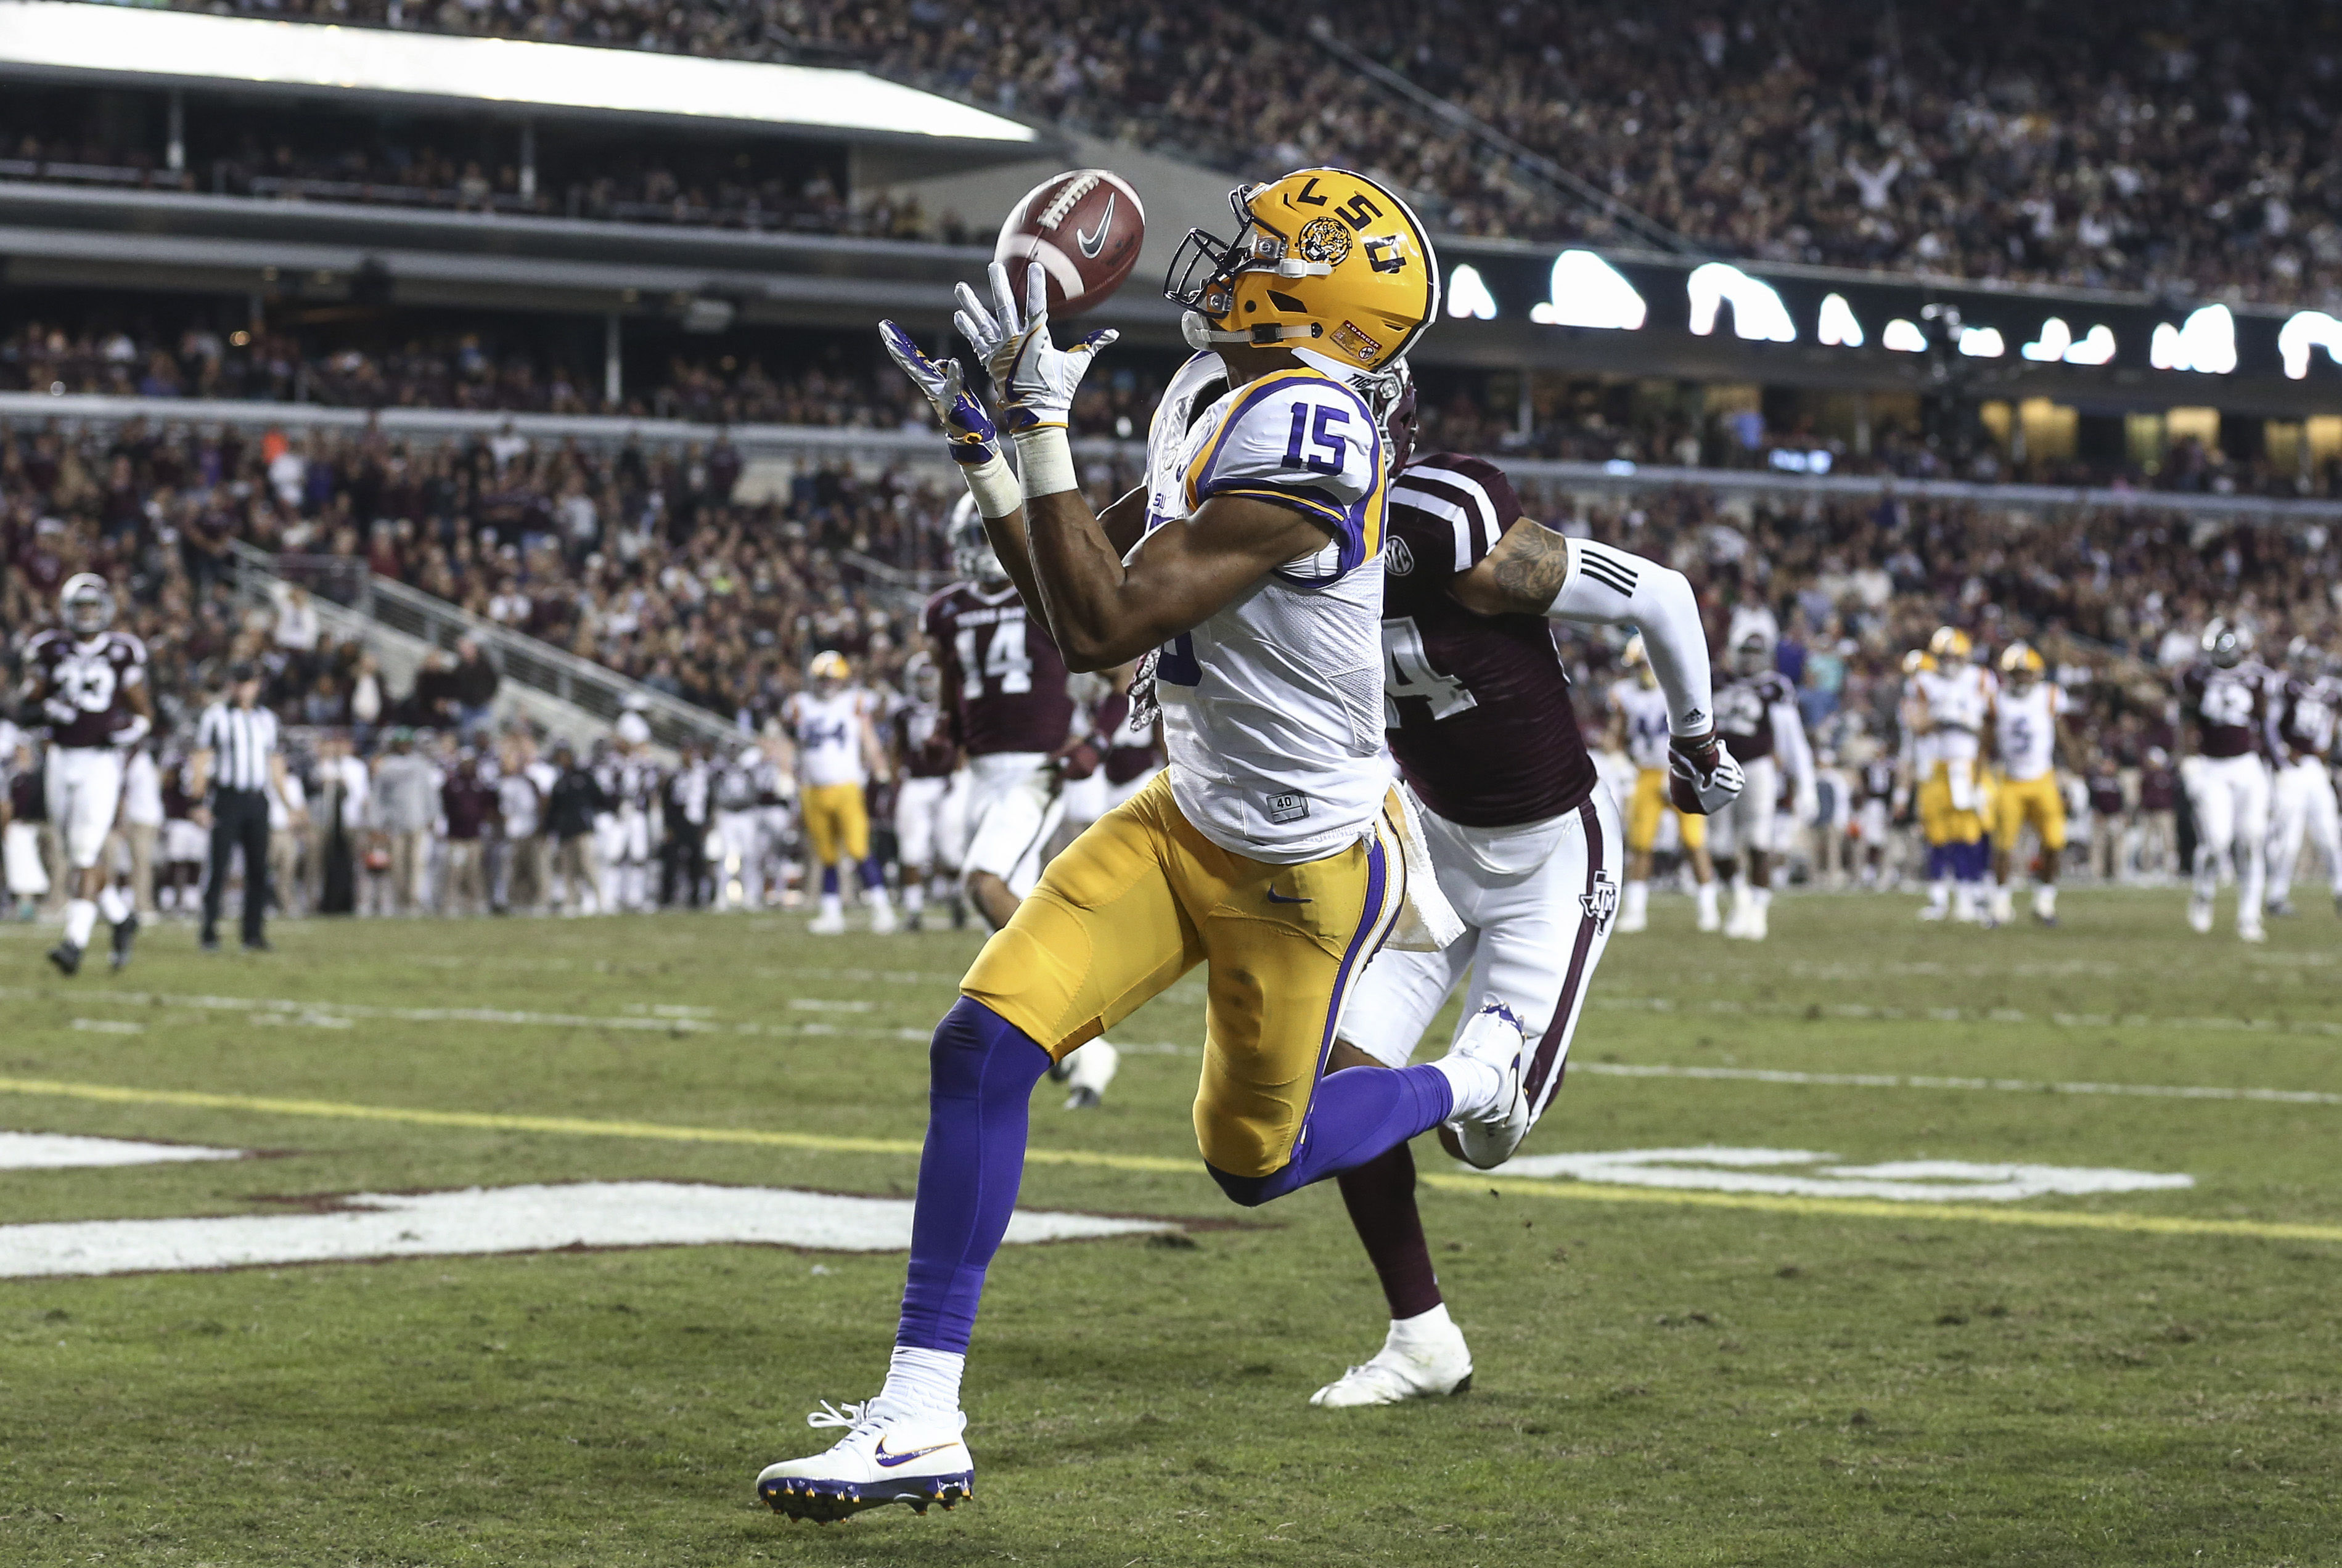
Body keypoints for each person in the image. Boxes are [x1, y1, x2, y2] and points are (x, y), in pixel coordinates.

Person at [759, 169, 1518, 1521]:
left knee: (1255, 1162)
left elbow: (1106, 629)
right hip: (1183, 816)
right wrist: (994, 449)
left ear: (1315, 297)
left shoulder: (1316, 428)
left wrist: (1043, 419)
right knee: (980, 1045)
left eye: (1254, 253)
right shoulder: (1206, 394)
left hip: (1304, 863)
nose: (1216, 263)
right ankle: (920, 1416)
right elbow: (1063, 583)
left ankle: (1469, 1077)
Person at [1313, 427, 1740, 1408]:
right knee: (1344, 1082)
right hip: (1431, 843)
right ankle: (1421, 1341)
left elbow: (1660, 595)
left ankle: (1515, 1058)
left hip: (1549, 855)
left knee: (1480, 1138)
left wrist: (1695, 739)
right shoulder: (1265, 542)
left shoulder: (1445, 527)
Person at [925, 499, 1118, 1104]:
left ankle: (1079, 1032)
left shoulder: (1043, 593)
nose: (976, 550)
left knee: (984, 885)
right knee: (1013, 913)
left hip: (1035, 770)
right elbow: (953, 694)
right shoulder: (946, 611)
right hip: (980, 773)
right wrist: (942, 735)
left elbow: (1123, 670)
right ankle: (1071, 1049)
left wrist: (1098, 740)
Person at [20, 574, 154, 973]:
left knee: (83, 851)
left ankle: (74, 944)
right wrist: (44, 709)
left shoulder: (121, 651)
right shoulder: (50, 649)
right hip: (62, 757)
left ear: (106, 609)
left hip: (99, 762)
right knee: (76, 852)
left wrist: (127, 733)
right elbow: (26, 704)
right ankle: (120, 918)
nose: (88, 615)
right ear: (68, 611)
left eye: (93, 607)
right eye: (81, 608)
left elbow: (145, 713)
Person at [1709, 616, 1816, 941]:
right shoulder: (1715, 680)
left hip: (1757, 768)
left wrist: (1804, 782)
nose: (1751, 659)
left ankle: (1758, 909)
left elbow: (1792, 739)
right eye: (1746, 651)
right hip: (1718, 769)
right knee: (1719, 846)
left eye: (1757, 652)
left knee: (1758, 841)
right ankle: (1740, 900)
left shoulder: (1775, 687)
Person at [1607, 634, 1720, 932]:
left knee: (1694, 842)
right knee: (1641, 844)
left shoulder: (1679, 690)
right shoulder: (1625, 694)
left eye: (1645, 664)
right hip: (1646, 772)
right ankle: (1636, 912)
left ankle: (1708, 910)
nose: (1642, 671)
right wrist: (1621, 762)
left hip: (1682, 772)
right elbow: (1615, 737)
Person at [785, 651, 895, 934]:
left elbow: (869, 738)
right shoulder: (800, 704)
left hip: (846, 786)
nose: (827, 684)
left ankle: (883, 909)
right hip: (813, 789)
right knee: (826, 855)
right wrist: (789, 775)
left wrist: (880, 767)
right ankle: (831, 913)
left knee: (859, 849)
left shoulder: (854, 702)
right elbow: (794, 747)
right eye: (823, 679)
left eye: (832, 679)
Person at [2179, 619, 2274, 942]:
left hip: (2247, 765)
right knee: (2217, 841)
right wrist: (2187, 760)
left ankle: (2249, 916)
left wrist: (2275, 760)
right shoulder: (2197, 677)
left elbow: (2264, 719)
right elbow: (2186, 720)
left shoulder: (2257, 676)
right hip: (2212, 766)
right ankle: (2204, 893)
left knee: (2252, 839)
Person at [189, 662, 294, 953]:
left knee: (259, 869)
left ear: (256, 685)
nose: (243, 688)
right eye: (238, 682)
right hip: (227, 798)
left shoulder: (266, 719)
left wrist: (289, 804)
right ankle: (209, 931)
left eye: (248, 682)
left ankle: (253, 933)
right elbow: (201, 758)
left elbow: (275, 764)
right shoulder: (216, 717)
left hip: (257, 799)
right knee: (218, 867)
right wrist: (198, 802)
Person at [1910, 626, 1997, 923]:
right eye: (1943, 657)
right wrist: (1940, 718)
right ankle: (1941, 897)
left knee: (1975, 831)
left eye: (1953, 657)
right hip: (1939, 766)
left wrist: (1966, 723)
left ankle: (1974, 894)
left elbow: (1992, 726)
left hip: (1971, 764)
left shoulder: (1981, 678)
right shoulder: (1925, 681)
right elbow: (1917, 725)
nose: (1948, 663)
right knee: (1937, 832)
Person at [1986, 642, 2074, 926]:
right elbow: (1985, 741)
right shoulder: (1996, 699)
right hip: (2009, 781)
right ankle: (2000, 906)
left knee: (2054, 842)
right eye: (2016, 673)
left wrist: (2076, 772)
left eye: (2026, 673)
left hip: (2043, 779)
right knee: (2003, 846)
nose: (2021, 678)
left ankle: (2044, 902)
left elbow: (2063, 736)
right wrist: (1978, 775)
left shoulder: (2049, 695)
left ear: (2036, 674)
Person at [889, 650, 967, 930]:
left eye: (930, 677)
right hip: (916, 782)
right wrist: (895, 780)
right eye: (921, 678)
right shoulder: (903, 712)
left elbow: (963, 745)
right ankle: (913, 910)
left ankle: (957, 902)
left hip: (948, 782)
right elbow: (897, 748)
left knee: (950, 850)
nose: (926, 683)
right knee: (912, 849)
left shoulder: (953, 709)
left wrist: (959, 775)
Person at [2264, 637, 2339, 918]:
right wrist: (2283, 756)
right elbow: (2270, 724)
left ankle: (2340, 890)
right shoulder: (2286, 686)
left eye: (2313, 662)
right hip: (2291, 769)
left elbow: (2331, 720)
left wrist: (2327, 744)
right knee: (2289, 837)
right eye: (2305, 662)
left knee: (2330, 834)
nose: (2310, 667)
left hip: (2315, 769)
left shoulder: (2329, 690)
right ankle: (2276, 896)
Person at [371, 729, 439, 915]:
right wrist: (376, 822)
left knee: (417, 863)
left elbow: (429, 792)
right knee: (398, 864)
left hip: (417, 821)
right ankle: (400, 900)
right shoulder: (386, 766)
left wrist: (433, 815)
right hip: (395, 823)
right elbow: (378, 796)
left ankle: (414, 901)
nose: (403, 747)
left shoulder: (420, 764)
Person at [545, 744, 608, 915]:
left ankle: (601, 899)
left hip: (583, 830)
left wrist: (589, 816)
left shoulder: (584, 777)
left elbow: (599, 798)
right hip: (565, 832)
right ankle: (571, 902)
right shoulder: (559, 782)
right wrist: (550, 829)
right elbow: (554, 809)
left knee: (589, 866)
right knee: (568, 870)